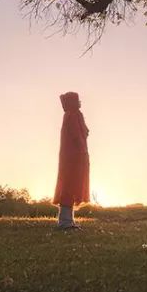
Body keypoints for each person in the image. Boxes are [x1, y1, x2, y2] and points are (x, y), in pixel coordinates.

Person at [54, 91, 90, 229]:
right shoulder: (72, 115)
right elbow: (77, 136)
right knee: (70, 186)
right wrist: (82, 151)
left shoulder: (72, 115)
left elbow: (83, 133)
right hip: (74, 156)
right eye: (77, 100)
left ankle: (67, 220)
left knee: (71, 186)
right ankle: (65, 221)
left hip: (72, 156)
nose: (79, 102)